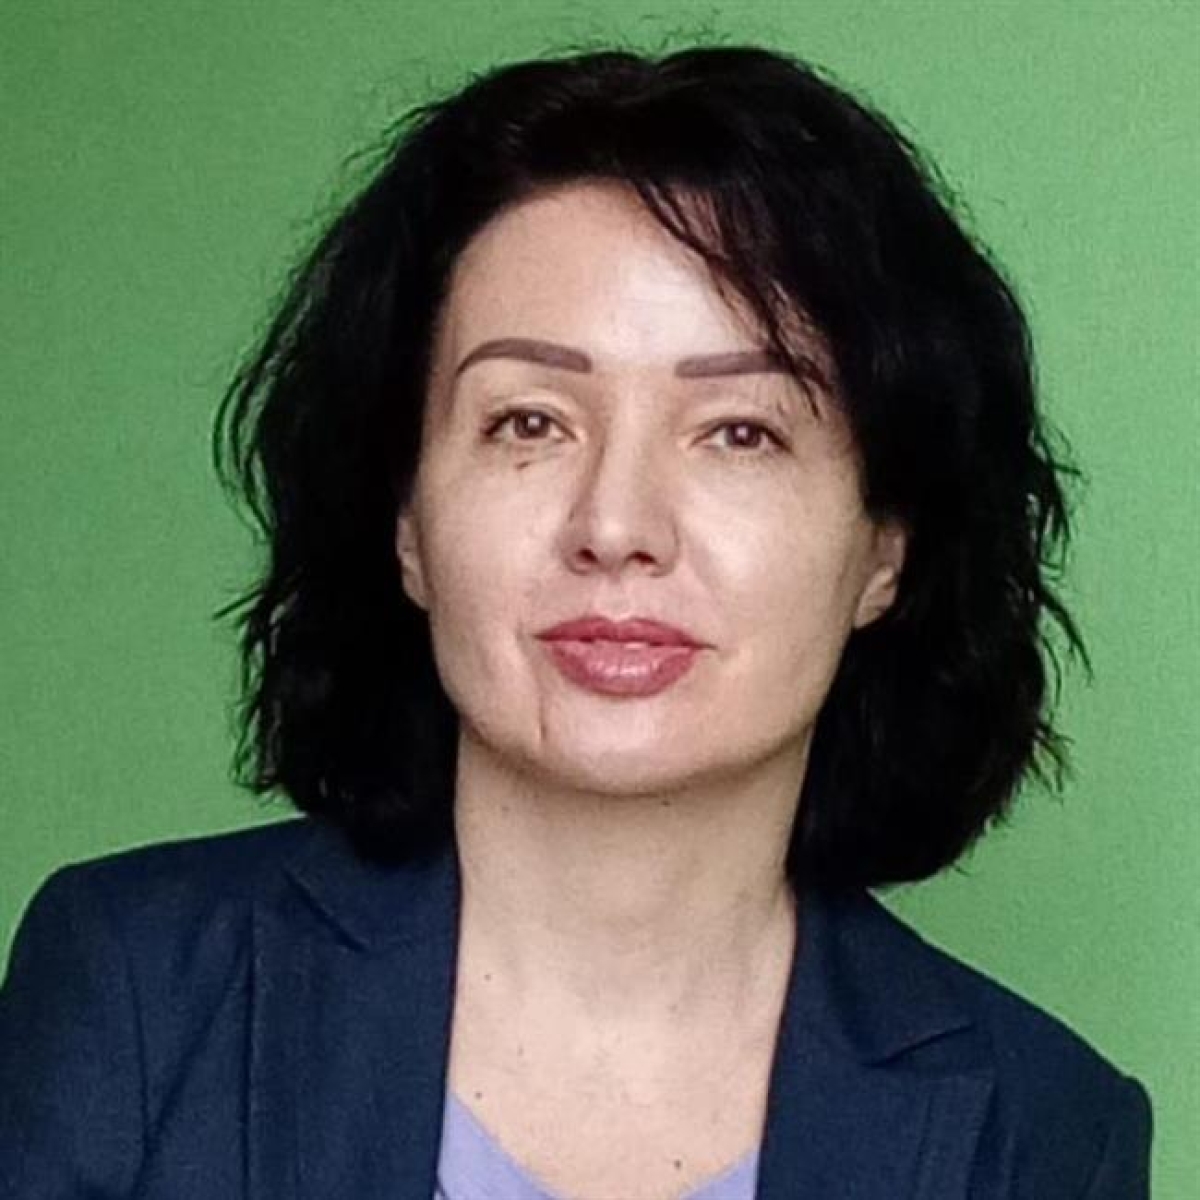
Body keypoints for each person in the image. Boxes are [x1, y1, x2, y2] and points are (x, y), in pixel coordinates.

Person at [0, 44, 1152, 1200]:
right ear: (407, 522)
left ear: (885, 549)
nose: (615, 525)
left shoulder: (1048, 1132)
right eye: (530, 422)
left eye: (740, 432)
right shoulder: (136, 990)